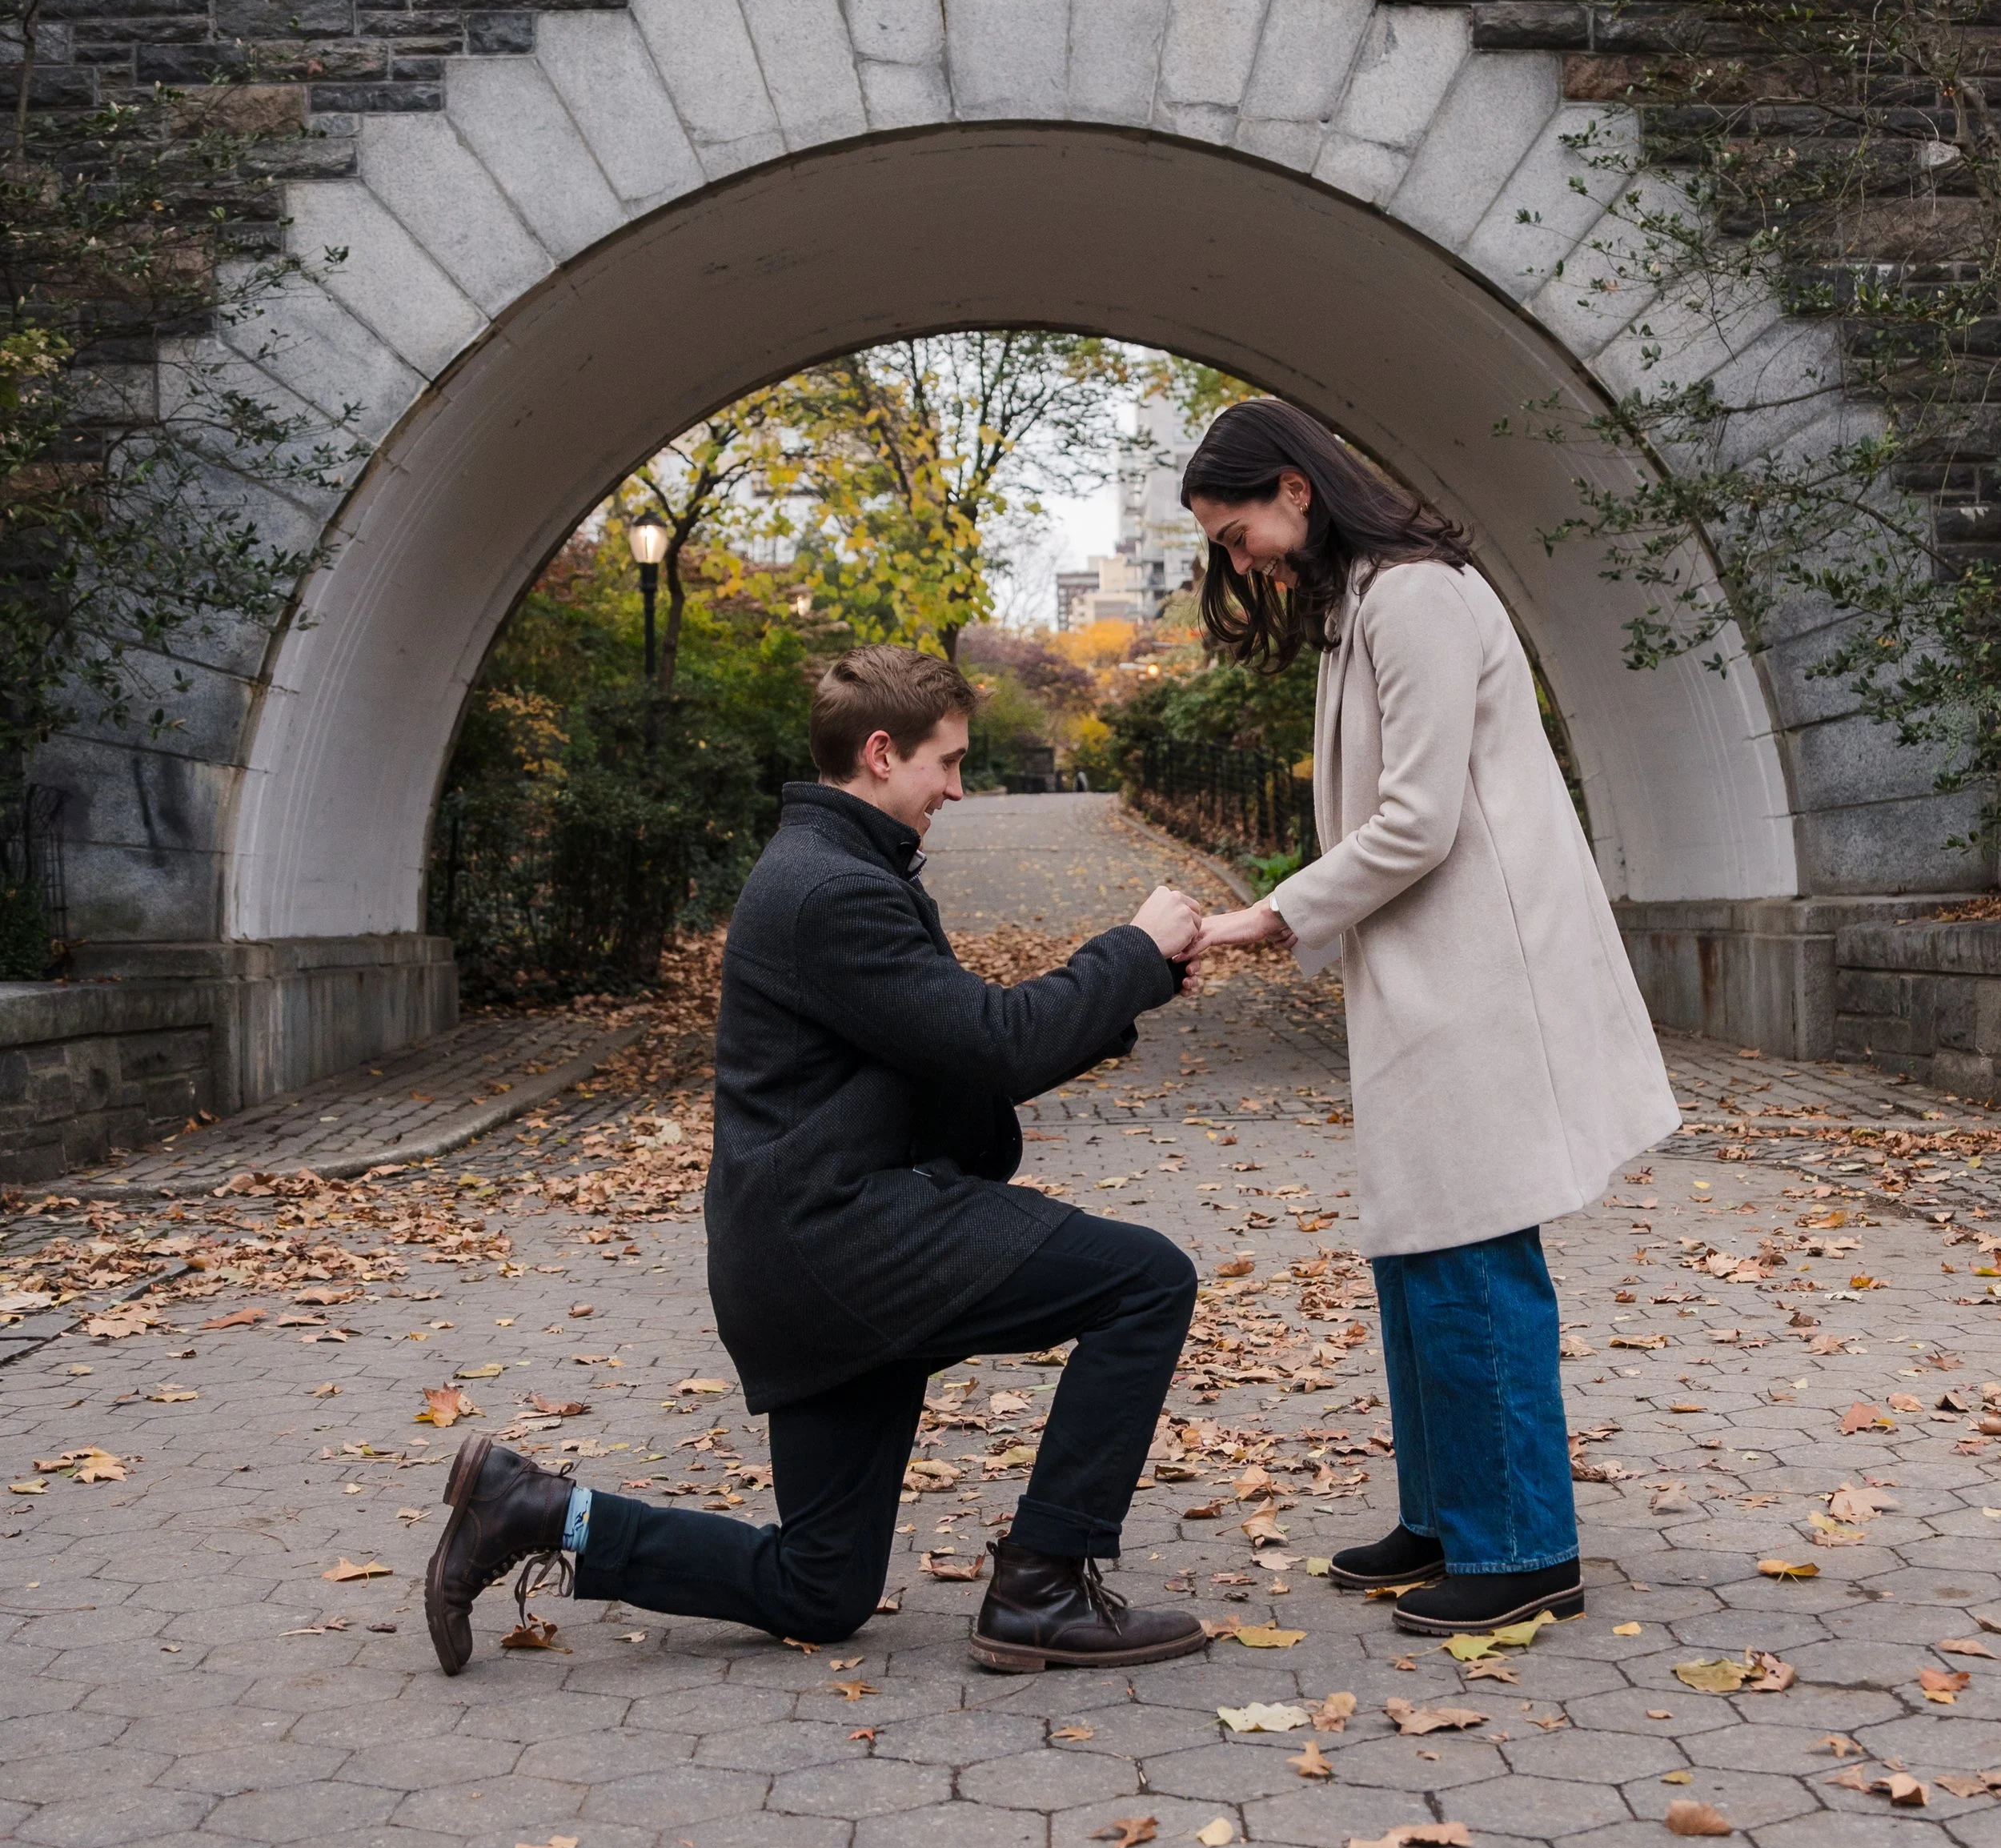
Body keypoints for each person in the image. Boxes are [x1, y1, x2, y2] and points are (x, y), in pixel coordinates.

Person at [426, 642, 1211, 1676]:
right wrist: (1133, 951)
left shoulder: (834, 869)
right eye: (949, 761)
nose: (960, 788)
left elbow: (955, 1045)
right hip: (845, 1243)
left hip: (807, 1260)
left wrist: (1125, 994)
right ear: (883, 752)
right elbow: (993, 1043)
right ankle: (1042, 1585)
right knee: (1145, 1280)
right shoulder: (830, 890)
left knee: (821, 1586)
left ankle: (537, 1512)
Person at [1183, 400, 1679, 1638]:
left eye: (1236, 529)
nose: (1237, 559)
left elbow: (1417, 821)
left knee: (1470, 1241)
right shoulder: (1368, 606)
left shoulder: (1415, 600)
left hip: (1479, 966)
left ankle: (1523, 1547)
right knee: (1417, 1245)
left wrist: (1265, 918)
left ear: (1296, 490)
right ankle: (1452, 1513)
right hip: (1429, 964)